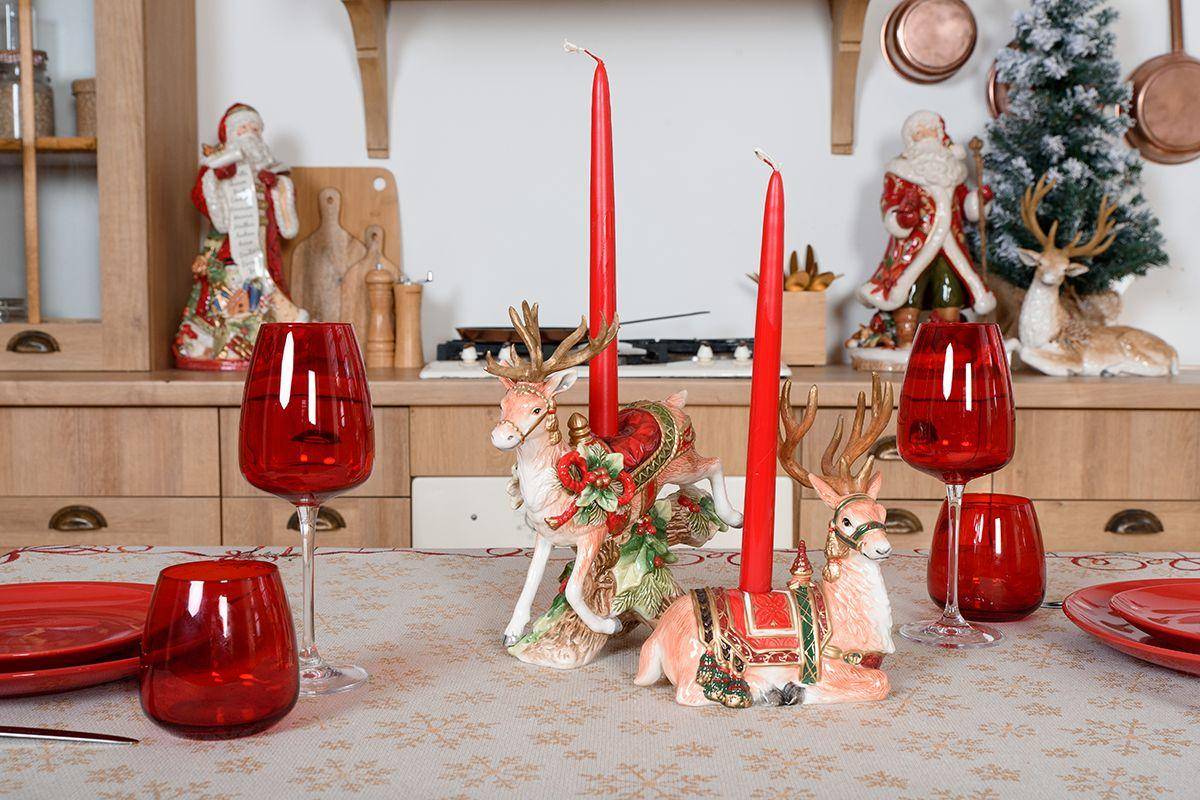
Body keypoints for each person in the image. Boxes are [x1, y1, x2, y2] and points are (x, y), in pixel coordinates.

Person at [856, 110, 995, 347]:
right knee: (908, 292)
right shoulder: (900, 172)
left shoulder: (953, 173)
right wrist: (901, 217)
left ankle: (946, 344)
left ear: (939, 135)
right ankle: (905, 341)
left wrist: (979, 200)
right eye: (918, 133)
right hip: (913, 248)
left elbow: (967, 208)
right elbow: (889, 204)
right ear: (911, 140)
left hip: (950, 248)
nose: (925, 136)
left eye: (930, 130)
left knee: (950, 292)